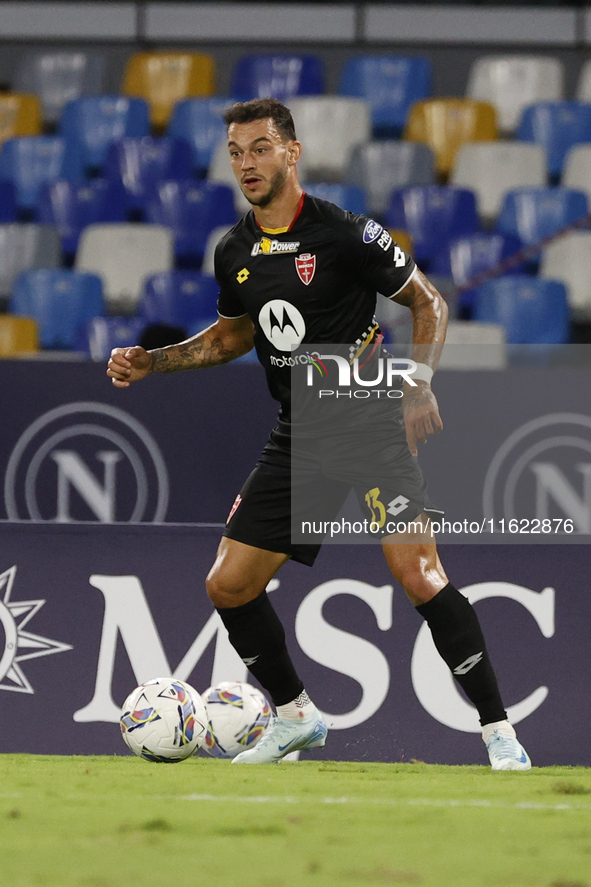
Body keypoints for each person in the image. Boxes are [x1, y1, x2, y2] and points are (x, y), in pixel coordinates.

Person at [107, 97, 531, 771]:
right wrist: (152, 361)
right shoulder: (235, 250)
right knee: (228, 584)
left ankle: (498, 732)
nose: (247, 163)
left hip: (364, 418)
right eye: (236, 153)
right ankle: (296, 715)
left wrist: (417, 381)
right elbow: (230, 337)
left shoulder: (344, 234)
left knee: (418, 574)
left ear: (291, 152)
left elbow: (428, 302)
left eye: (260, 148)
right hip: (299, 432)